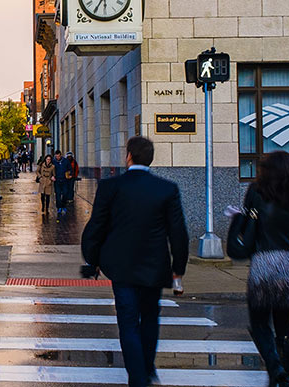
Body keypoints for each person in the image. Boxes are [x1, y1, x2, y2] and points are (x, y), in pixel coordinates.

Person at [81, 136, 189, 387]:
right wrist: (178, 270)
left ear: (128, 156)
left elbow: (96, 226)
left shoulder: (110, 186)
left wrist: (92, 259)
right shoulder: (167, 189)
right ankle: (148, 368)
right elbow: (178, 233)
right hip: (154, 266)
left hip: (121, 266)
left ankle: (138, 377)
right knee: (150, 318)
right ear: (149, 159)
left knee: (128, 322)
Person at [239, 151, 289, 387]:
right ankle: (285, 376)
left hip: (265, 262)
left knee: (259, 323)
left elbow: (249, 226)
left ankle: (274, 365)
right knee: (284, 325)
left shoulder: (256, 193)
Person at [51, 150, 71, 215]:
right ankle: (59, 207)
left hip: (64, 180)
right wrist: (52, 176)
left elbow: (70, 169)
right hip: (57, 180)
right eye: (56, 156)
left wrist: (70, 174)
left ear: (61, 155)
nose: (57, 157)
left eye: (58, 156)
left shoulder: (65, 161)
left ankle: (63, 205)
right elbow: (51, 170)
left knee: (65, 193)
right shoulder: (53, 162)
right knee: (58, 194)